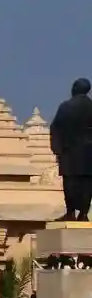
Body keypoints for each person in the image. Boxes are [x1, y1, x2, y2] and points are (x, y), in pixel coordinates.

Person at [52, 78, 92, 221]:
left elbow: (55, 127)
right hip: (88, 154)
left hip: (69, 152)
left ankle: (70, 213)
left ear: (75, 88)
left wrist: (57, 149)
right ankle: (84, 214)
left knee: (70, 183)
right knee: (87, 184)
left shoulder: (66, 107)